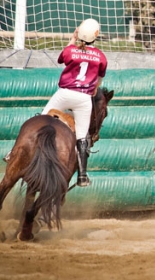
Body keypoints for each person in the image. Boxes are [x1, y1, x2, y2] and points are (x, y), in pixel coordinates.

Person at [41, 18, 107, 187]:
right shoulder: (100, 56)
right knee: (82, 137)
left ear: (80, 34)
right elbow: (98, 80)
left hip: (64, 94)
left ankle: (13, 152)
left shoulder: (71, 50)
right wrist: (93, 89)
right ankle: (82, 175)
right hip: (83, 98)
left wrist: (72, 40)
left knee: (40, 120)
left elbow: (61, 59)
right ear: (95, 36)